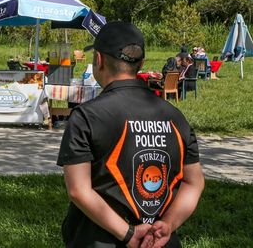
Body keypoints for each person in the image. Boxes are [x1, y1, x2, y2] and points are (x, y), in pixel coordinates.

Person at [57, 21, 204, 248]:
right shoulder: (176, 118)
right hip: (159, 243)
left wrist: (128, 234)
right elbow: (194, 183)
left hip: (98, 240)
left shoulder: (86, 116)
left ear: (98, 60)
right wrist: (167, 225)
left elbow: (78, 190)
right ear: (141, 64)